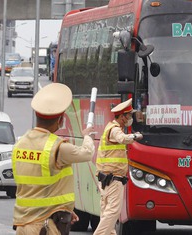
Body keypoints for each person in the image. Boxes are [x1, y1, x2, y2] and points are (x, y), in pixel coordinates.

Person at [12, 83, 95, 235]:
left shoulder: (20, 144)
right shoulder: (57, 147)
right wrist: (87, 136)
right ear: (60, 120)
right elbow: (87, 153)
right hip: (44, 227)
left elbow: (37, 188)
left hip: (23, 225)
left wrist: (63, 208)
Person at [93, 98, 143, 235]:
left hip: (108, 179)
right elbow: (122, 138)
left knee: (107, 213)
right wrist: (135, 136)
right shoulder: (114, 129)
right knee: (113, 211)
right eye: (129, 115)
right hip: (113, 179)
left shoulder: (111, 127)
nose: (130, 118)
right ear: (122, 116)